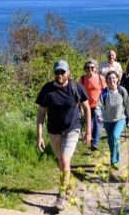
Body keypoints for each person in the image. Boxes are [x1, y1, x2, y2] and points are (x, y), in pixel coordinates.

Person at [36, 60, 91, 212]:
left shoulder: (76, 87)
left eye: (62, 72)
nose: (60, 75)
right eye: (57, 72)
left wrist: (88, 131)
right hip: (53, 131)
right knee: (61, 162)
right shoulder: (47, 89)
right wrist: (39, 136)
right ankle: (68, 186)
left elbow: (87, 108)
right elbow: (41, 113)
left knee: (65, 160)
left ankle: (61, 197)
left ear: (68, 73)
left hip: (72, 130)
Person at [95, 71, 129, 170]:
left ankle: (115, 161)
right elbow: (98, 107)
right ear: (107, 80)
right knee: (110, 140)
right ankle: (113, 159)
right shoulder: (104, 92)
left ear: (117, 79)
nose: (112, 80)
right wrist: (99, 116)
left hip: (120, 118)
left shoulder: (122, 91)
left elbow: (128, 105)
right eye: (109, 78)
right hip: (107, 120)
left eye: (113, 78)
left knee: (115, 137)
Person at [79, 58, 107, 151]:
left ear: (95, 68)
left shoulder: (100, 78)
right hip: (87, 106)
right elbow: (79, 93)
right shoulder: (82, 79)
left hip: (98, 105)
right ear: (85, 68)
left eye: (92, 67)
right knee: (89, 124)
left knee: (97, 124)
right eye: (88, 67)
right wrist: (79, 105)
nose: (90, 69)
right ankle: (90, 138)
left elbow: (105, 91)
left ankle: (94, 143)